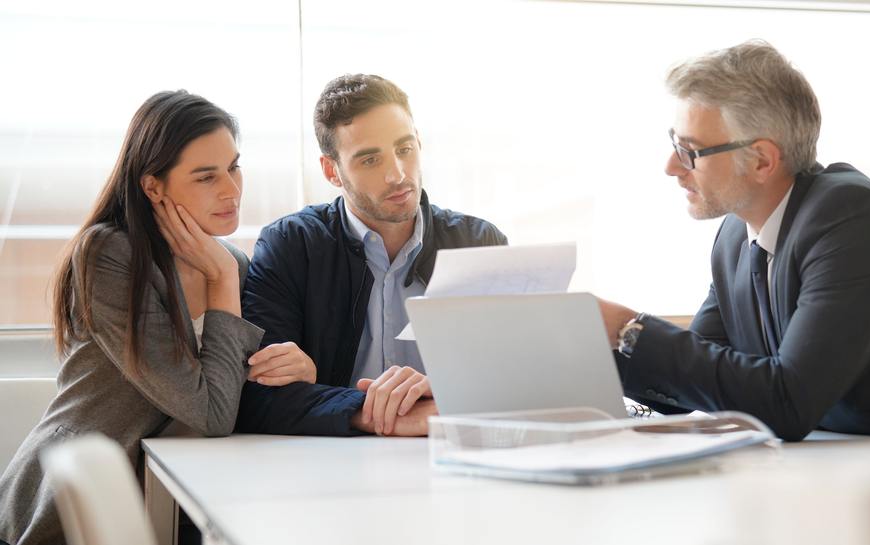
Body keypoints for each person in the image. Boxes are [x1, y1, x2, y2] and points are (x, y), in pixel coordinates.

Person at [597, 40, 870, 441]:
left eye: (690, 151)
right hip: (855, 469)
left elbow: (788, 402)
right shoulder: (735, 238)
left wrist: (632, 331)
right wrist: (592, 342)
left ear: (761, 161)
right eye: (674, 143)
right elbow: (693, 380)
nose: (671, 167)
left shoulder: (852, 219)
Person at [0, 91, 263, 545]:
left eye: (233, 167)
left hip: (176, 499)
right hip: (71, 508)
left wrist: (287, 366)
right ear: (153, 186)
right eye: (205, 177)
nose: (231, 191)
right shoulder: (109, 255)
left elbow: (231, 389)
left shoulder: (233, 263)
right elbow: (210, 412)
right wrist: (220, 278)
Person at [234, 74, 506, 437]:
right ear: (332, 171)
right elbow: (258, 397)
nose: (397, 174)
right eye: (370, 160)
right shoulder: (291, 246)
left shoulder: (479, 243)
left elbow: (514, 380)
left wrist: (441, 401)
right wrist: (373, 413)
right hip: (333, 464)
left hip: (454, 453)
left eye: (405, 150)